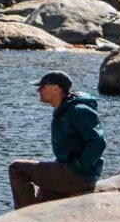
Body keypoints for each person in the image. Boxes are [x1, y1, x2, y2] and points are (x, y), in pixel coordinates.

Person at [10, 70, 105, 208]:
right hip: (69, 171)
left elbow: (98, 142)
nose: (38, 90)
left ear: (56, 89)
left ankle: (26, 215)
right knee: (43, 195)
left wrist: (77, 166)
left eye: (42, 86)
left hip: (78, 175)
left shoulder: (78, 110)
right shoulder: (64, 109)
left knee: (16, 168)